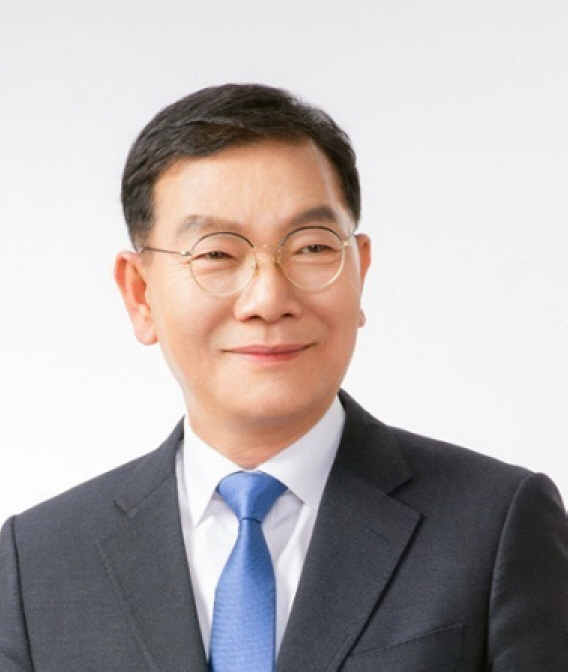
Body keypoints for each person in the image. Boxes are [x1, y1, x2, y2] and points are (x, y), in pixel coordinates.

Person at [1, 83, 567, 672]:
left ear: (359, 271)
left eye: (312, 248)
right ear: (140, 294)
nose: (268, 300)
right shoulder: (37, 564)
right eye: (217, 254)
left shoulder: (496, 527)